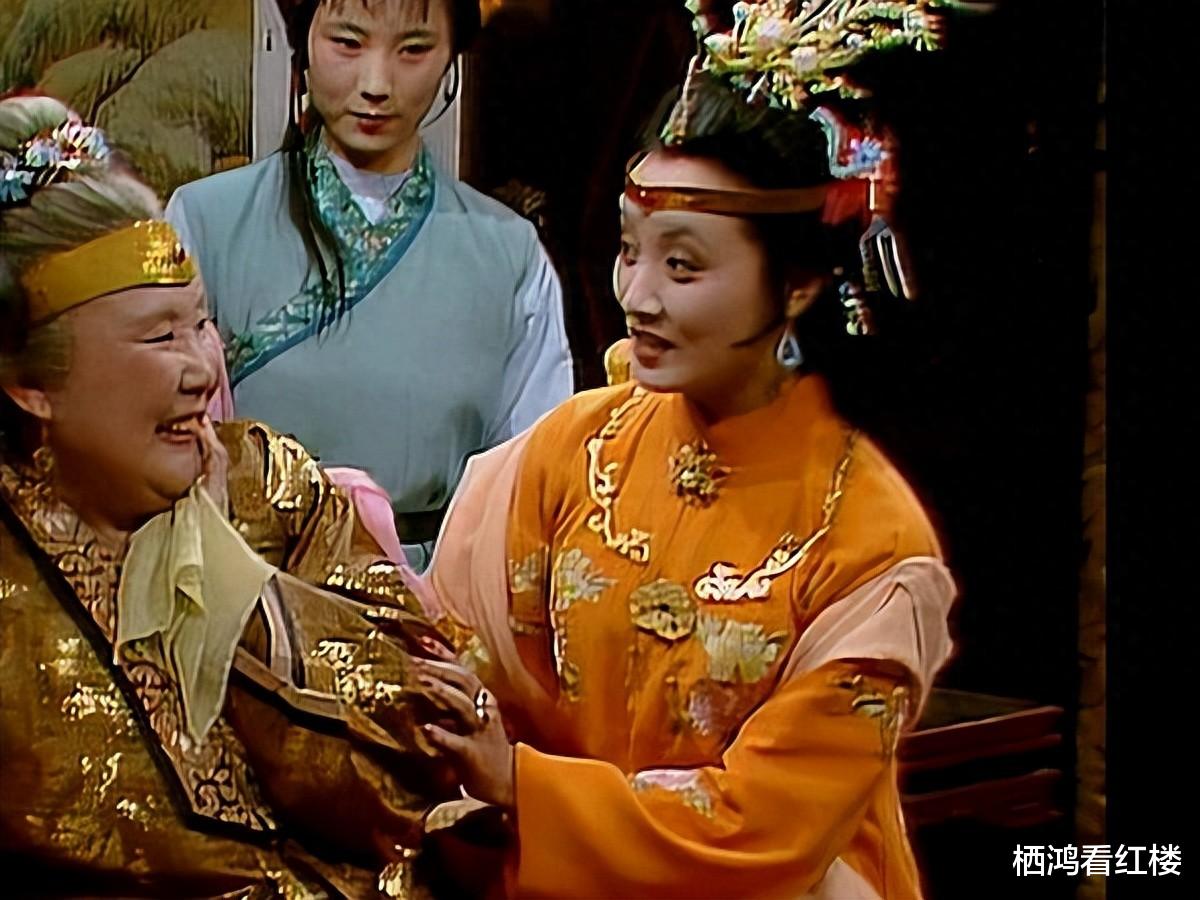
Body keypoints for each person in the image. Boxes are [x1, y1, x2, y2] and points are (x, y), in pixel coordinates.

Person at [411, 3, 958, 896]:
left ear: (798, 282)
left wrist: (523, 786)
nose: (638, 295)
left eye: (683, 266)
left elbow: (765, 829)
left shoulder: (867, 540)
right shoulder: (571, 450)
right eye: (630, 251)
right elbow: (452, 665)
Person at [0, 95, 457, 898]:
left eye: (202, 324)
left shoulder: (269, 483)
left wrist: (232, 581)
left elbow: (425, 754)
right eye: (159, 336)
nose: (203, 371)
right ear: (31, 384)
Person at [166, 0, 574, 568]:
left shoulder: (507, 252)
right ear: (304, 45)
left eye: (413, 49)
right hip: (247, 588)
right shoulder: (206, 220)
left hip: (436, 592)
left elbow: (533, 475)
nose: (376, 84)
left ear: (452, 58)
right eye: (348, 43)